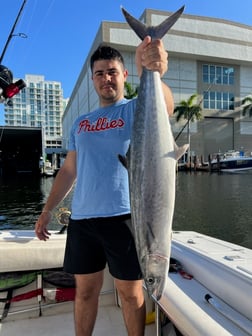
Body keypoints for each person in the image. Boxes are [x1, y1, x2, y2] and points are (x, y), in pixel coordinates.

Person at [35, 36, 174, 336]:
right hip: (83, 221)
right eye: (99, 73)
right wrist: (47, 210)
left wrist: (155, 71)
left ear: (124, 75)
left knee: (129, 293)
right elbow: (69, 170)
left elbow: (166, 107)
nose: (106, 78)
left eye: (112, 71)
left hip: (124, 217)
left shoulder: (135, 109)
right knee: (85, 292)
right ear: (92, 79)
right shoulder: (80, 124)